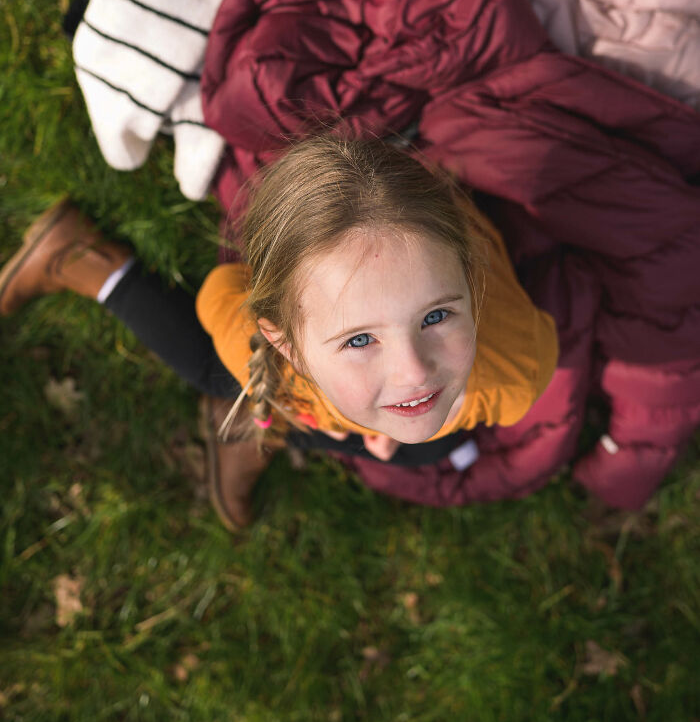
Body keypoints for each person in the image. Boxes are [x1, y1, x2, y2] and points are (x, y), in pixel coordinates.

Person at [0, 135, 558, 529]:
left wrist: (438, 415)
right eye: (360, 340)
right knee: (212, 371)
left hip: (417, 225)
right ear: (285, 344)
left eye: (436, 317)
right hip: (292, 367)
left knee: (435, 446)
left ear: (468, 285)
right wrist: (323, 415)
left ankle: (260, 421)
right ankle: (86, 261)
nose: (415, 372)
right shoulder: (262, 353)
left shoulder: (512, 374)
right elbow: (219, 292)